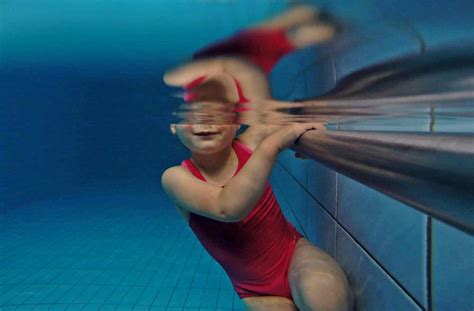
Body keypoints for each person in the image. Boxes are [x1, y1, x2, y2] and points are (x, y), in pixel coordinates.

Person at [162, 6, 353, 310]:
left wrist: (305, 133)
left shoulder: (248, 143)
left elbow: (287, 117)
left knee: (321, 295)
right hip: (254, 290)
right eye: (194, 113)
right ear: (175, 127)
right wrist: (275, 144)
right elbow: (227, 208)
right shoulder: (176, 178)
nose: (206, 121)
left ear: (238, 123)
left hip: (294, 255)